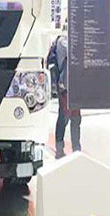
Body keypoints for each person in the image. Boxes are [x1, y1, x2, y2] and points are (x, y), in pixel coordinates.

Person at [47, 25, 81, 159]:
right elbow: (74, 53)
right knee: (64, 117)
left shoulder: (65, 40)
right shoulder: (63, 41)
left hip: (73, 85)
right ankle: (61, 149)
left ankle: (76, 148)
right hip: (65, 86)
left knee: (75, 118)